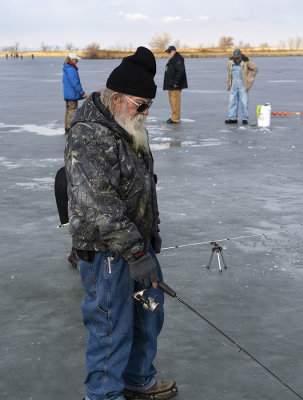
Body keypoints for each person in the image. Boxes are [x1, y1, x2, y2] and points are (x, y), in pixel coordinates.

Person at [65, 46, 178, 400]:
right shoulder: (89, 134)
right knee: (111, 328)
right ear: (116, 98)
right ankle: (103, 396)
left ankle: (138, 380)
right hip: (106, 252)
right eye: (139, 104)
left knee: (149, 313)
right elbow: (98, 205)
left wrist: (151, 232)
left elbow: (144, 183)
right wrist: (135, 250)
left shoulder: (129, 124)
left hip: (136, 245)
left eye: (149, 106)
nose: (145, 112)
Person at [225, 49, 258, 125]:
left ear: (240, 55)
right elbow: (229, 71)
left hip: (243, 84)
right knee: (232, 102)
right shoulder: (230, 62)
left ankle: (244, 118)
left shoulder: (246, 61)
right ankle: (232, 118)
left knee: (244, 102)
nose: (236, 58)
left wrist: (249, 78)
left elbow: (255, 69)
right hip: (233, 84)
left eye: (238, 56)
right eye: (235, 56)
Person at [62, 52, 88, 134]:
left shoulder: (67, 68)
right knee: (72, 110)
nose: (77, 61)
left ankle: (67, 128)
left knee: (68, 110)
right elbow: (75, 83)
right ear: (72, 60)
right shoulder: (71, 69)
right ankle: (70, 129)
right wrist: (82, 93)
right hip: (71, 94)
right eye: (76, 60)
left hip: (68, 94)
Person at [163, 45, 188, 124]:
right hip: (171, 85)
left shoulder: (177, 59)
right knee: (173, 102)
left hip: (175, 85)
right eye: (167, 52)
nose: (168, 53)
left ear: (174, 51)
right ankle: (174, 117)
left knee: (175, 102)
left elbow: (181, 71)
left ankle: (176, 119)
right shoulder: (173, 59)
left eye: (169, 51)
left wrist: (176, 82)